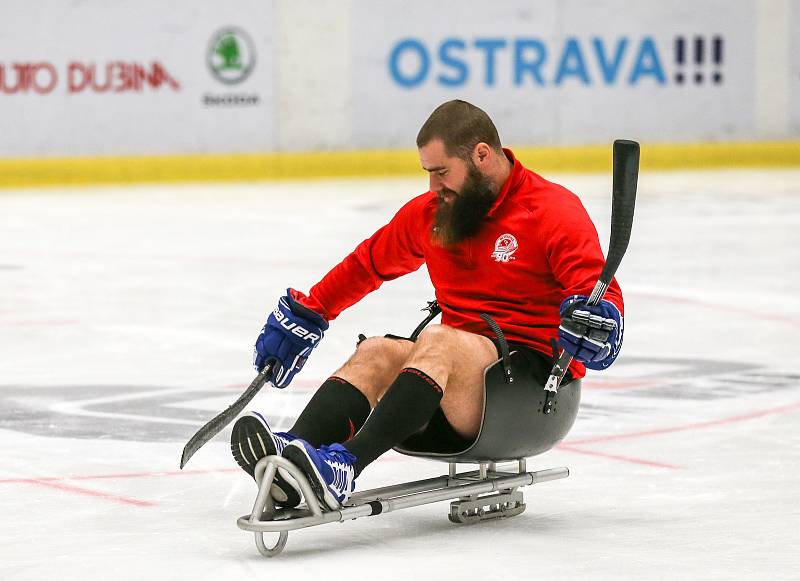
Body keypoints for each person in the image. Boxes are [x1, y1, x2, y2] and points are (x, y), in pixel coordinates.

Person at [230, 99, 624, 511]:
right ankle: (294, 458)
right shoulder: (435, 214)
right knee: (377, 350)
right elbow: (367, 264)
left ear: (482, 155)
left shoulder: (551, 210)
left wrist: (599, 324)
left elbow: (596, 288)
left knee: (440, 339)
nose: (433, 187)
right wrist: (311, 311)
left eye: (441, 172)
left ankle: (343, 467)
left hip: (531, 397)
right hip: (449, 392)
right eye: (428, 174)